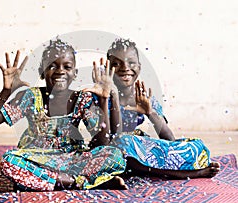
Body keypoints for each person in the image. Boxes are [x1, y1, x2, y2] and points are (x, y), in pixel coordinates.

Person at [0, 39, 127, 191]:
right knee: (8, 161)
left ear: (74, 73)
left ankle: (43, 180)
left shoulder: (82, 99)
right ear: (42, 73)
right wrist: (7, 90)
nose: (60, 71)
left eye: (67, 66)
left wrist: (104, 100)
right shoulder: (29, 97)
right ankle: (79, 183)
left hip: (71, 159)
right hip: (36, 159)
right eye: (52, 66)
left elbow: (102, 143)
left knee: (114, 155)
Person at [92, 38, 220, 179]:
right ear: (108, 69)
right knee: (122, 144)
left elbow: (170, 139)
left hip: (136, 149)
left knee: (196, 146)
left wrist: (150, 112)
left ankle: (145, 169)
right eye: (116, 64)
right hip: (111, 153)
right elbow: (113, 138)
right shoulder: (100, 96)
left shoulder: (144, 97)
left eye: (131, 62)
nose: (125, 68)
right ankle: (187, 174)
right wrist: (114, 97)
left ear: (139, 67)